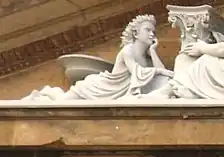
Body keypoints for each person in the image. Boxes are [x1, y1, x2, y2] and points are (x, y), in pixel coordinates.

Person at [24, 14, 173, 101]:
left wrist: (153, 52)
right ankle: (47, 91)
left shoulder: (147, 58)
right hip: (101, 88)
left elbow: (162, 76)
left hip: (116, 93)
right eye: (147, 30)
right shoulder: (128, 51)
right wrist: (162, 72)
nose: (152, 34)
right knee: (63, 102)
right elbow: (137, 73)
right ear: (135, 33)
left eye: (153, 31)